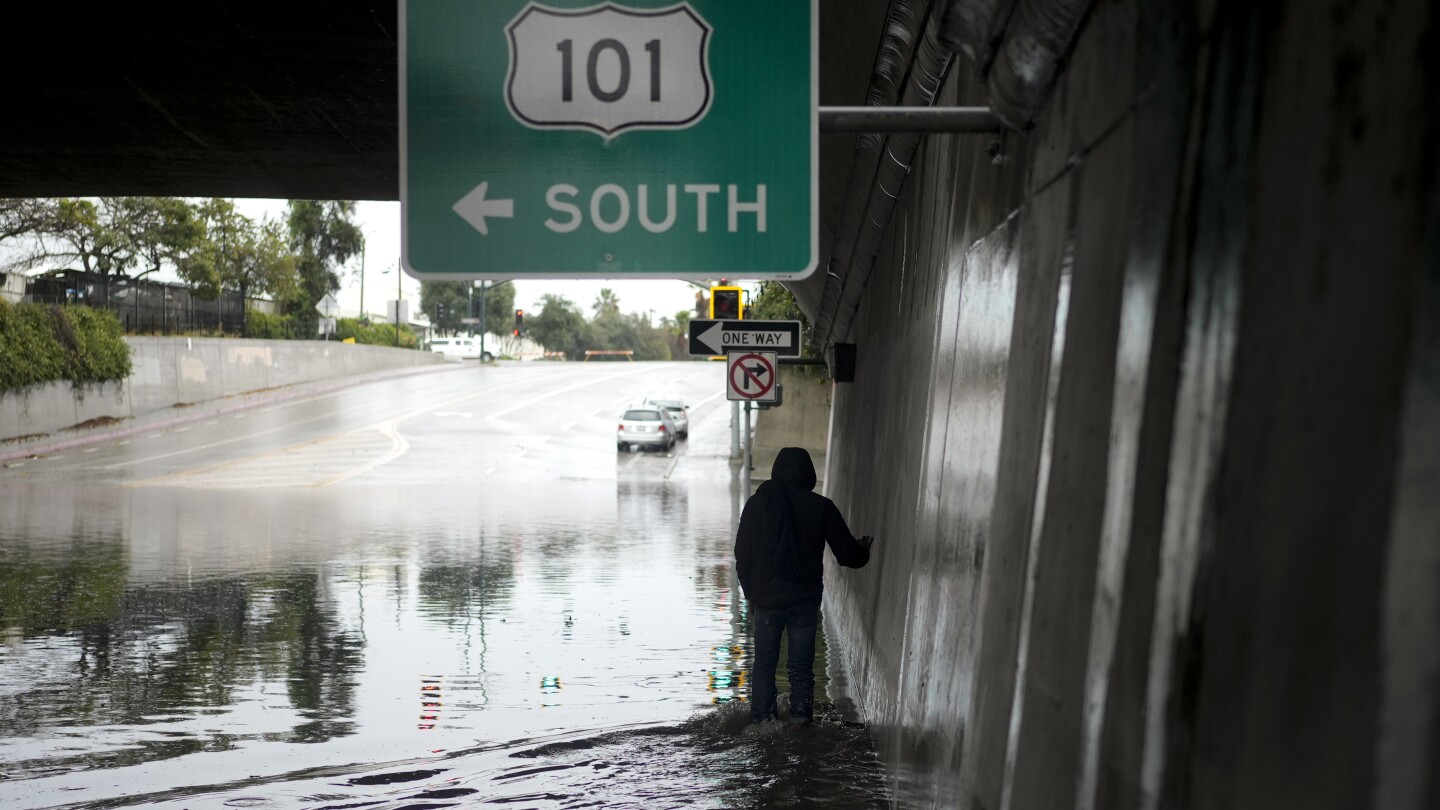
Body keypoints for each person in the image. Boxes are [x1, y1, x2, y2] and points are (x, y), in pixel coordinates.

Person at [734, 447, 874, 724]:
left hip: (766, 601)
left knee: (763, 665)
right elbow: (847, 556)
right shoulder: (821, 507)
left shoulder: (758, 504)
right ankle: (801, 723)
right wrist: (863, 551)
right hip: (804, 601)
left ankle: (762, 723)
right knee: (801, 668)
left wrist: (751, 594)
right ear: (809, 473)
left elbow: (743, 554)